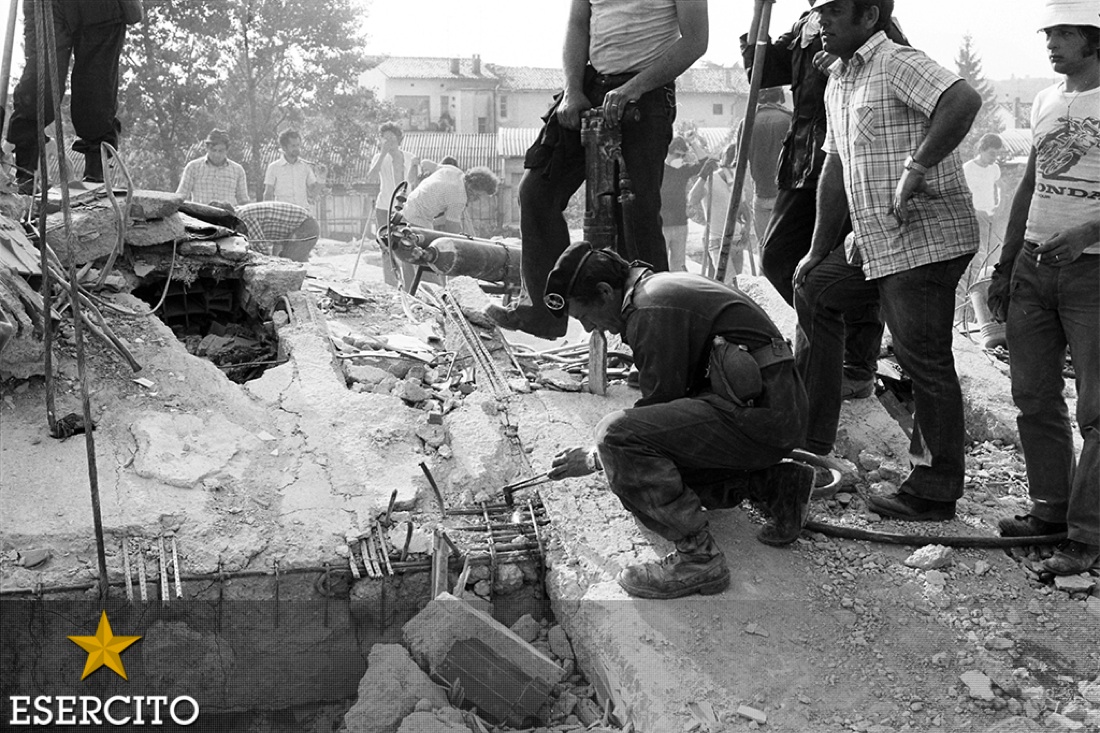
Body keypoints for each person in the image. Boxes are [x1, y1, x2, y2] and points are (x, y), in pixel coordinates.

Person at [792, 0, 982, 521]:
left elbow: (963, 99)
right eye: (818, 13)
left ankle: (934, 488)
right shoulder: (839, 80)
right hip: (879, 241)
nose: (821, 23)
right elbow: (835, 167)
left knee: (922, 356)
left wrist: (918, 165)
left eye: (833, 12)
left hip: (926, 240)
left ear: (869, 16)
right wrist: (817, 247)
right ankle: (811, 441)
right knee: (815, 287)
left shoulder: (896, 62)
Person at [545, 242, 813, 599]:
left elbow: (656, 417)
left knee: (616, 440)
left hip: (761, 416)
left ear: (606, 292)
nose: (595, 328)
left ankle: (698, 558)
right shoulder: (653, 290)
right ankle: (774, 485)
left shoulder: (649, 309)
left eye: (586, 317)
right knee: (643, 460)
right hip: (772, 412)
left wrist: (597, 456)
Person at [488, 0, 709, 340]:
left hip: (647, 94)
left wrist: (634, 87)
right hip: (590, 87)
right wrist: (573, 90)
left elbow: (695, 40)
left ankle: (655, 335)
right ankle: (546, 313)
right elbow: (578, 24)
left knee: (635, 215)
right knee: (536, 191)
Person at [743, 1, 907, 400]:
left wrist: (846, 58)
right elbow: (760, 71)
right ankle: (826, 346)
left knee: (854, 262)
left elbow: (893, 73)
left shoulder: (871, 19)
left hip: (854, 160)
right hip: (803, 159)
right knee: (779, 259)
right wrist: (758, 11)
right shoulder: (806, 24)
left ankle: (856, 364)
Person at [989, 0, 1099, 575]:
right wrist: (1007, 264)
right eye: (1049, 32)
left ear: (1094, 38)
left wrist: (1089, 231)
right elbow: (1031, 181)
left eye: (1064, 33)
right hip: (1034, 266)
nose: (1051, 42)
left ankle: (1088, 533)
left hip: (1093, 272)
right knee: (1033, 396)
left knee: (1097, 410)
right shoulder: (1044, 100)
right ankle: (1051, 511)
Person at [7, 0, 144, 193]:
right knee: (40, 83)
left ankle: (94, 176)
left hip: (102, 9)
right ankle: (26, 173)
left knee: (96, 88)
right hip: (49, 5)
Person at [737, 87, 791, 251]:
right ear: (780, 96)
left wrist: (740, 200)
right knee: (788, 249)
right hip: (785, 195)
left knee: (765, 248)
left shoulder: (746, 122)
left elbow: (739, 165)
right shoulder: (789, 119)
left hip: (760, 195)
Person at [689, 142, 748, 278]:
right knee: (731, 283)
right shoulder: (711, 179)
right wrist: (703, 175)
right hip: (718, 241)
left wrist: (747, 225)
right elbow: (692, 199)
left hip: (737, 241)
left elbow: (744, 207)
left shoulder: (736, 180)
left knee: (738, 281)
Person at [660, 136, 714, 271]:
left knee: (679, 266)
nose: (680, 159)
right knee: (660, 265)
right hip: (661, 225)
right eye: (677, 155)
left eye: (683, 156)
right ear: (668, 152)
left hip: (680, 224)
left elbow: (705, 163)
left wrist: (693, 143)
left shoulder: (682, 170)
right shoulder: (658, 170)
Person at [175, 128, 250, 207]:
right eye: (213, 150)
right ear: (207, 148)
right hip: (199, 217)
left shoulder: (238, 170)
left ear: (227, 150)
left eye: (220, 151)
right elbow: (180, 198)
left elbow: (243, 202)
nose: (216, 154)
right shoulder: (193, 167)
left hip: (228, 217)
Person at [367, 122, 419, 232]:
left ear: (398, 138)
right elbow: (371, 177)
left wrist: (414, 166)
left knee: (403, 241)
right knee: (384, 240)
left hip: (405, 207)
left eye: (391, 137)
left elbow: (413, 181)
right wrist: (382, 154)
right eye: (385, 138)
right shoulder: (379, 157)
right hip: (384, 206)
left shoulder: (410, 157)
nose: (389, 141)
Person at [233, 201, 319, 262]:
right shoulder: (241, 213)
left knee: (290, 262)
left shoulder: (244, 218)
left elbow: (261, 251)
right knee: (288, 260)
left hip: (306, 226)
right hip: (304, 225)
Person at [962, 133, 1004, 259]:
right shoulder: (968, 168)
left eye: (997, 154)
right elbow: (961, 195)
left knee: (994, 253)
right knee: (977, 254)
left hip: (991, 216)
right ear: (981, 149)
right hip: (974, 218)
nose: (995, 157)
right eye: (992, 153)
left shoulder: (994, 168)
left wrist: (1000, 205)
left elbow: (1002, 187)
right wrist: (974, 211)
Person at [263, 130, 319, 210]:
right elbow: (268, 193)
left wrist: (321, 178)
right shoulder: (274, 167)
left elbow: (314, 193)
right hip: (282, 213)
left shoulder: (305, 167)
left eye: (298, 145)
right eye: (293, 146)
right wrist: (267, 215)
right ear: (284, 147)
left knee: (314, 223)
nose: (297, 148)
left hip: (302, 212)